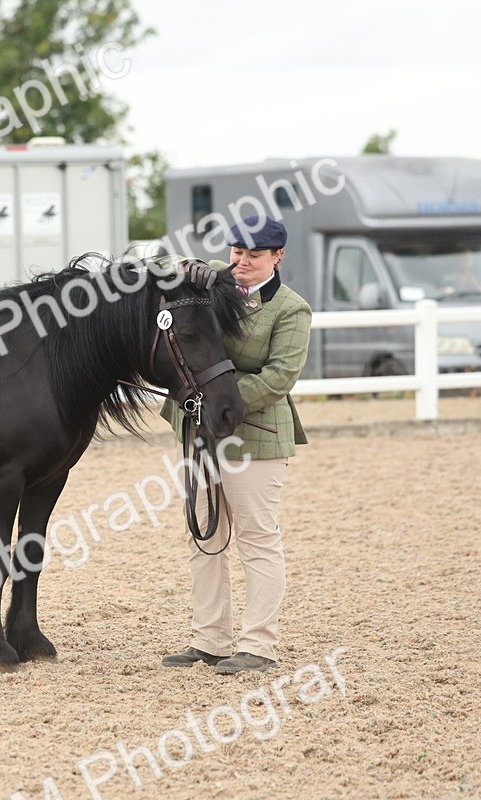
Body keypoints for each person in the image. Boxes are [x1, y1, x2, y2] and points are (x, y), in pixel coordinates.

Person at [160, 215, 312, 674]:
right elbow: (160, 267)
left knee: (257, 539)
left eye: (255, 254)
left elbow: (279, 377)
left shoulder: (290, 309)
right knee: (204, 536)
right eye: (237, 252)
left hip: (256, 437)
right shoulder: (213, 280)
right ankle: (210, 640)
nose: (243, 261)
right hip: (199, 432)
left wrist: (210, 398)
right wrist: (187, 265)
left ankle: (259, 645)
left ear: (278, 256)